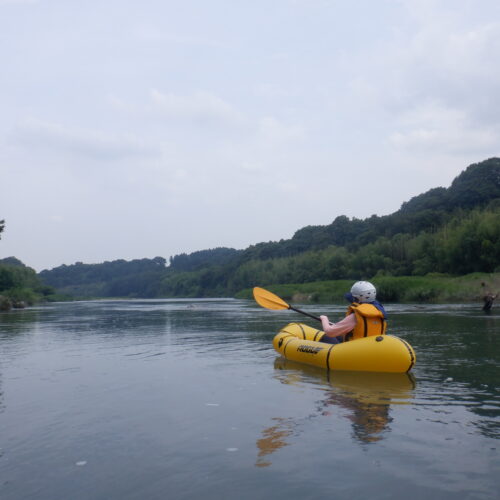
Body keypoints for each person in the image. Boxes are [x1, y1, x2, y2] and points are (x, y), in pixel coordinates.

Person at [319, 281, 387, 345]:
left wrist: (324, 319)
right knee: (339, 336)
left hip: (356, 352)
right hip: (373, 348)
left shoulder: (355, 316)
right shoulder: (379, 313)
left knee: (327, 337)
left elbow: (329, 332)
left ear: (356, 298)